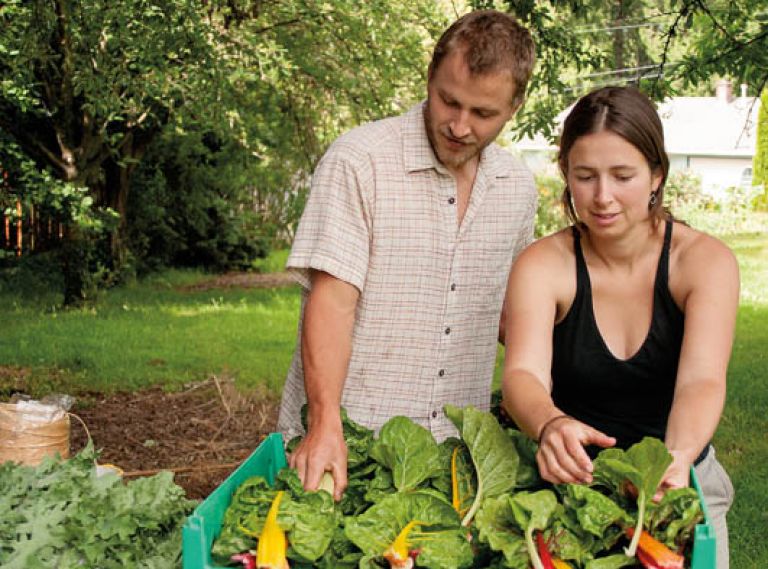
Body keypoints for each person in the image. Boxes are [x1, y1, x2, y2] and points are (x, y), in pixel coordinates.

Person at [276, 10, 537, 501]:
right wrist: (324, 423)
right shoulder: (359, 161)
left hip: (455, 463)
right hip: (347, 445)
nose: (460, 126)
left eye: (483, 114)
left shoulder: (518, 188)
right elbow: (332, 302)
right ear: (429, 78)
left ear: (514, 106)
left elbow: (510, 317)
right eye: (448, 101)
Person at [501, 86, 737, 567]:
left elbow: (702, 380)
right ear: (566, 175)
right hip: (575, 484)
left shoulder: (704, 262)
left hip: (680, 473)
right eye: (584, 176)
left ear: (657, 175)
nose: (602, 197)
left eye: (622, 176)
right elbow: (522, 375)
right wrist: (549, 424)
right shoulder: (543, 265)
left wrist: (678, 458)